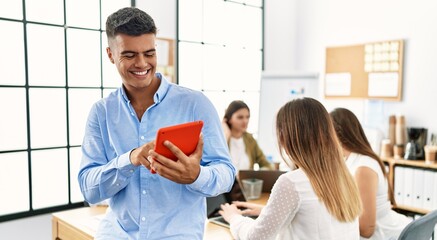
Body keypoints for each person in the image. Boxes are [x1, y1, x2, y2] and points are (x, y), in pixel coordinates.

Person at [78, 7, 235, 240]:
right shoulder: (102, 112)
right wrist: (129, 159)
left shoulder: (195, 104)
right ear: (111, 54)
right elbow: (89, 190)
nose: (142, 64)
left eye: (149, 53)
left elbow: (226, 173)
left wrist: (196, 175)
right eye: (129, 55)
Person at [219, 97, 362, 240]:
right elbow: (316, 217)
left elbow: (255, 238)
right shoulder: (345, 175)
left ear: (285, 137)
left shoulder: (291, 182)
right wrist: (268, 212)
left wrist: (233, 217)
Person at [330, 108, 410, 240]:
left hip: (379, 234)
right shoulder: (353, 159)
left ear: (337, 134)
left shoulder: (363, 168)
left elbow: (366, 230)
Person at [222, 100, 272, 170]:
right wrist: (226, 134)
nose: (245, 121)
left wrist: (256, 176)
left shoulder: (250, 139)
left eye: (247, 117)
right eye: (240, 117)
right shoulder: (221, 138)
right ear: (229, 119)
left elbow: (266, 164)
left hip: (245, 181)